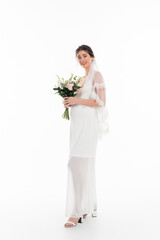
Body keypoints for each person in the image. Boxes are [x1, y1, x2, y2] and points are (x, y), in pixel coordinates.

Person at [63, 45, 109, 228]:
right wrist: (68, 101)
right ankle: (84, 207)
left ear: (92, 56)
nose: (81, 59)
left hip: (88, 127)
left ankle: (75, 212)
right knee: (77, 165)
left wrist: (76, 100)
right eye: (78, 57)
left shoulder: (97, 76)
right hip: (76, 127)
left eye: (84, 56)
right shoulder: (80, 79)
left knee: (78, 164)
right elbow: (76, 100)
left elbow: (101, 102)